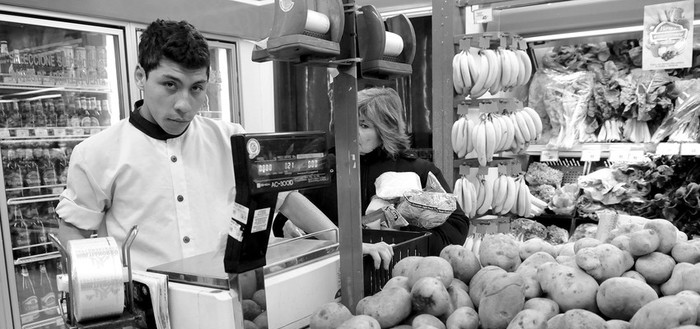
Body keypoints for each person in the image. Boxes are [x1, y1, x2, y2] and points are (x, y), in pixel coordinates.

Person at [56, 19, 336, 271]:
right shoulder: (97, 153)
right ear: (140, 76)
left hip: (228, 297)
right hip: (146, 310)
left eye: (196, 88)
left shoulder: (231, 139)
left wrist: (344, 244)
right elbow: (74, 232)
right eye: (170, 84)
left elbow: (284, 198)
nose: (183, 105)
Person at [298, 86, 469, 267]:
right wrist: (291, 227)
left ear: (385, 130)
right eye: (349, 122)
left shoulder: (418, 170)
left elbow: (457, 228)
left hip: (399, 276)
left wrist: (405, 234)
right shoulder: (328, 168)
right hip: (334, 277)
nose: (352, 132)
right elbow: (287, 219)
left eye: (364, 125)